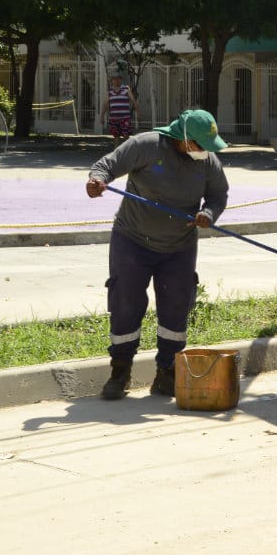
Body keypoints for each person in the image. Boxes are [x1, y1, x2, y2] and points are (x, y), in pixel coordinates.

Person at [85, 109, 229, 400]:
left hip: (180, 247)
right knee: (126, 302)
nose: (205, 151)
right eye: (201, 145)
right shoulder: (146, 146)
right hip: (132, 241)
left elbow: (218, 195)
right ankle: (120, 370)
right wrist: (96, 182)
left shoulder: (208, 162)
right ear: (184, 139)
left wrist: (208, 214)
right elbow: (106, 166)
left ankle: (166, 373)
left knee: (176, 306)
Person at [102, 72, 139, 148]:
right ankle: (117, 155)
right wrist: (102, 116)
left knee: (126, 136)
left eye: (118, 79)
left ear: (121, 80)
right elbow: (105, 104)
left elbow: (134, 101)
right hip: (114, 119)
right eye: (114, 79)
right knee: (116, 137)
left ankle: (127, 153)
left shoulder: (126, 90)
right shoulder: (110, 91)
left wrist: (138, 113)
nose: (116, 81)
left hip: (125, 118)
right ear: (112, 81)